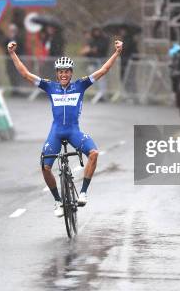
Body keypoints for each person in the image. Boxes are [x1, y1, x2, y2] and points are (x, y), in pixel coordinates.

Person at [7, 39, 123, 217]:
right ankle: (57, 201)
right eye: (61, 72)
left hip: (73, 131)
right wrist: (12, 54)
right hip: (56, 132)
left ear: (71, 73)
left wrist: (116, 53)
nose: (64, 75)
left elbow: (103, 70)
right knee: (45, 167)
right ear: (56, 74)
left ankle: (83, 192)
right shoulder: (49, 86)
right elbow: (25, 74)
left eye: (67, 72)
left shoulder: (80, 85)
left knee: (94, 154)